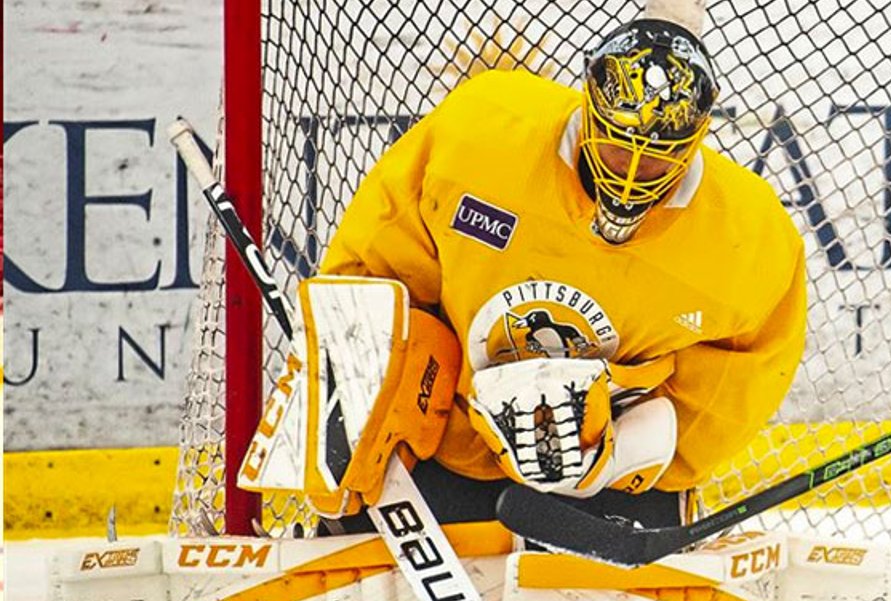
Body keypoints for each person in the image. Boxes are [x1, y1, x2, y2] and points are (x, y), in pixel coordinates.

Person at [305, 6, 806, 533]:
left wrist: (615, 457)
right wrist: (359, 400)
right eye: (617, 143)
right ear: (588, 105)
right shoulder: (480, 137)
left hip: (598, 477)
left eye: (657, 155)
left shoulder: (749, 239)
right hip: (444, 447)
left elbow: (736, 383)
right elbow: (373, 273)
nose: (631, 172)